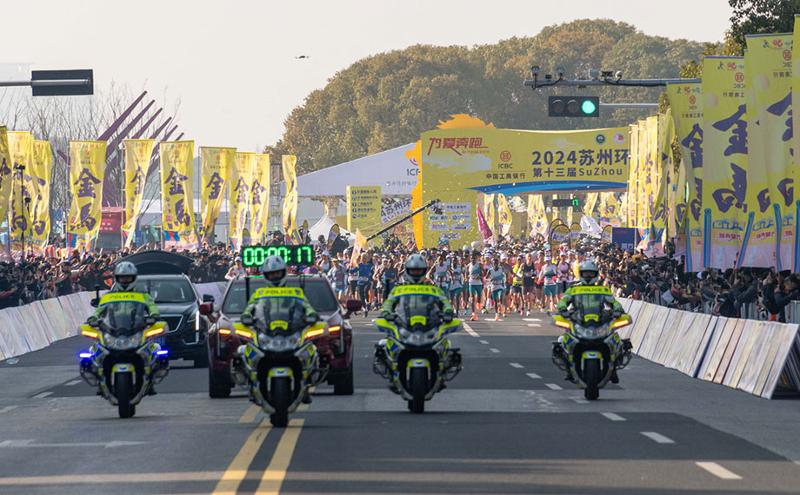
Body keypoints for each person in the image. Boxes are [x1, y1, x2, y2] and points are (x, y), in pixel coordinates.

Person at [241, 256, 319, 404]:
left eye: (277, 273)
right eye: (271, 274)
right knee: (247, 354)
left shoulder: (295, 292)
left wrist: (311, 315)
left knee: (311, 351)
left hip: (290, 332)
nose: (274, 277)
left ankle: (305, 386)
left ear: (283, 273)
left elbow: (307, 307)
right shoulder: (259, 293)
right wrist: (246, 316)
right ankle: (253, 386)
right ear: (266, 275)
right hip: (267, 333)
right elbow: (249, 309)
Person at [555, 259, 625, 382]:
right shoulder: (573, 289)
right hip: (578, 321)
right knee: (562, 343)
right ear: (581, 274)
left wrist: (618, 310)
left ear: (596, 274)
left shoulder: (603, 289)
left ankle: (613, 370)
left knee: (617, 342)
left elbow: (614, 302)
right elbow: (563, 301)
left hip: (599, 322)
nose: (588, 276)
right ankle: (569, 370)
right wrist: (562, 309)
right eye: (586, 273)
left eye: (591, 274)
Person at [380, 254, 454, 322]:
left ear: (424, 271)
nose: (416, 273)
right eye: (413, 270)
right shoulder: (399, 289)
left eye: (419, 271)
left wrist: (448, 311)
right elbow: (388, 303)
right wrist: (386, 312)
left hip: (429, 324)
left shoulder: (433, 289)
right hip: (404, 324)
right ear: (407, 271)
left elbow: (445, 302)